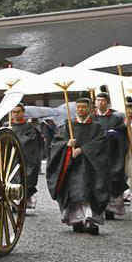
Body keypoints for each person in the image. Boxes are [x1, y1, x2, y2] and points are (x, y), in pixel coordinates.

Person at [46, 97, 109, 235]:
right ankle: (77, 220)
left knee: (88, 191)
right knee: (75, 192)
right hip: (72, 165)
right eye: (78, 107)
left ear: (90, 109)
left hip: (91, 165)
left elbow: (101, 143)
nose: (80, 109)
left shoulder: (96, 127)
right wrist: (67, 146)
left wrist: (83, 150)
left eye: (83, 107)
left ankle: (91, 221)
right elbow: (57, 143)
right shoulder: (68, 127)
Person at [92, 92, 128, 219]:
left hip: (112, 152)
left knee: (113, 180)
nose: (100, 103)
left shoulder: (116, 118)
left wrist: (120, 130)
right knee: (98, 180)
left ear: (108, 102)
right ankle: (98, 207)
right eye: (98, 100)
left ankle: (111, 209)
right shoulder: (92, 117)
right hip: (96, 153)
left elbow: (122, 133)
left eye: (102, 100)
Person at [8, 104, 44, 209]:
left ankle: (23, 201)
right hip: (9, 157)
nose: (15, 114)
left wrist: (14, 139)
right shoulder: (7, 125)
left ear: (23, 113)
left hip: (24, 157)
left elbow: (30, 142)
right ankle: (12, 200)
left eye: (18, 112)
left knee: (24, 179)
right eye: (13, 112)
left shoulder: (29, 127)